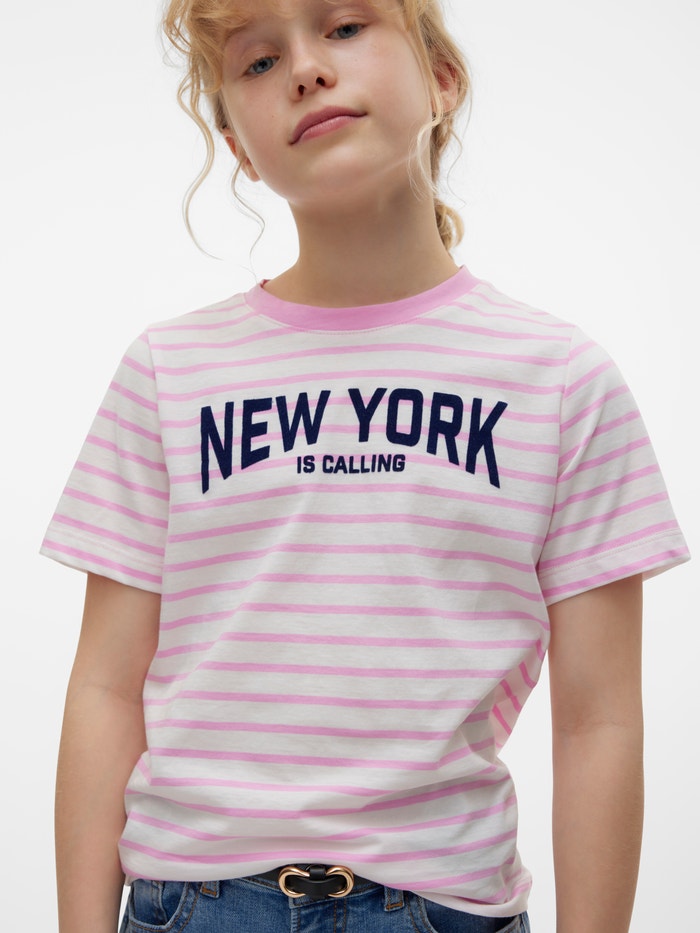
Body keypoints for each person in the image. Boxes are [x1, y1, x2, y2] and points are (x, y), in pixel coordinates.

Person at [43, 1, 689, 931]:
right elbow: (106, 687)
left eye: (344, 27)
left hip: (444, 905)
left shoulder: (562, 382)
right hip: (196, 903)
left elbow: (600, 723)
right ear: (237, 147)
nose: (306, 69)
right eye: (258, 62)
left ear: (443, 78)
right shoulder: (167, 372)